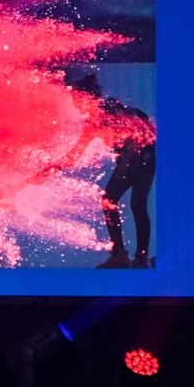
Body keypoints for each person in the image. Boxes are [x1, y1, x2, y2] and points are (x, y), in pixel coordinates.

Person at [55, 69, 158, 268]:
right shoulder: (93, 121)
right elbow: (74, 155)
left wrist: (126, 162)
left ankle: (140, 258)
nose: (73, 103)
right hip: (130, 160)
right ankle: (119, 254)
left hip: (144, 158)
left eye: (75, 98)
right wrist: (49, 169)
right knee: (109, 200)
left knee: (137, 204)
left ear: (85, 96)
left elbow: (139, 134)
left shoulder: (110, 108)